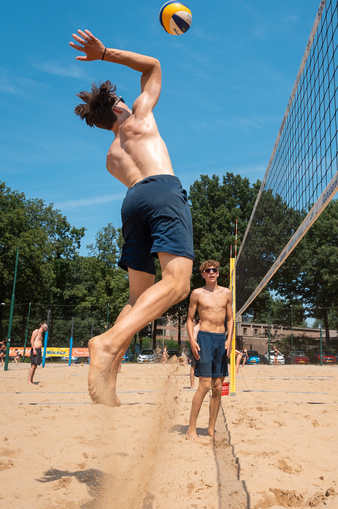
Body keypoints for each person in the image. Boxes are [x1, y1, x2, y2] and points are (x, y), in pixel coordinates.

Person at [70, 29, 194, 406]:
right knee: (177, 285)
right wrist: (104, 53)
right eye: (123, 98)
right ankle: (105, 344)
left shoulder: (110, 156)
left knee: (138, 299)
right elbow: (153, 65)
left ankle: (108, 375)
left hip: (131, 201)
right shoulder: (139, 115)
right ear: (120, 106)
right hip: (162, 190)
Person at [185, 261, 233, 441]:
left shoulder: (226, 293)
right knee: (204, 385)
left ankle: (211, 429)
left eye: (214, 270)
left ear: (218, 273)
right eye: (208, 270)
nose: (211, 272)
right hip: (204, 339)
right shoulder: (197, 293)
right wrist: (192, 340)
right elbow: (190, 319)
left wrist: (229, 339)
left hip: (221, 340)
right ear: (203, 274)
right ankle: (191, 430)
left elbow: (230, 319)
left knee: (218, 387)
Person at [189, 318, 201, 389]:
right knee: (193, 366)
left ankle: (199, 384)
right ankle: (192, 385)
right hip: (194, 348)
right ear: (199, 321)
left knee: (201, 366)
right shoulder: (196, 328)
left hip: (198, 348)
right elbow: (193, 339)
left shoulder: (200, 328)